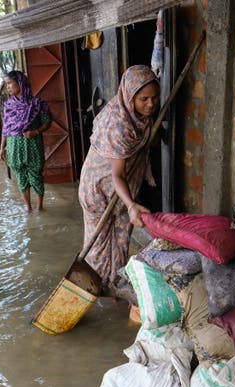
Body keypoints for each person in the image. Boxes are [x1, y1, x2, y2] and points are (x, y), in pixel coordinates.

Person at [79, 65, 160, 291]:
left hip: (123, 191)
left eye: (154, 98)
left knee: (121, 243)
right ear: (129, 95)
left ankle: (117, 290)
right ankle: (94, 292)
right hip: (99, 191)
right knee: (99, 249)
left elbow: (143, 143)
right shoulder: (118, 124)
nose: (151, 104)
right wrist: (132, 204)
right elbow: (116, 174)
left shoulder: (140, 117)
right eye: (144, 99)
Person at [0, 70, 52, 211]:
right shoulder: (8, 105)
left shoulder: (37, 103)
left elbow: (47, 122)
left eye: (10, 83)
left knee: (36, 176)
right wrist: (1, 148)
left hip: (33, 145)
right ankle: (28, 207)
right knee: (21, 178)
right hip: (13, 146)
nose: (8, 87)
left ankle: (40, 207)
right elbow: (6, 127)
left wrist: (35, 131)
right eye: (6, 84)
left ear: (20, 83)